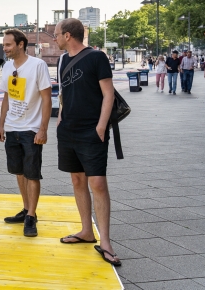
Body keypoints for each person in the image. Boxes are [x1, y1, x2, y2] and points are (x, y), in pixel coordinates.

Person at [54, 19, 120, 267]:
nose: (55, 38)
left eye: (56, 34)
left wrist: (101, 126)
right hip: (68, 129)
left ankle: (106, 242)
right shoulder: (62, 60)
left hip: (91, 130)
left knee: (98, 183)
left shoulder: (96, 57)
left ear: (68, 35)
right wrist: (60, 117)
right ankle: (86, 231)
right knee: (77, 179)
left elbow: (108, 93)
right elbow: (64, 92)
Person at [0, 29, 52, 237]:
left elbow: (47, 99)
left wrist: (43, 129)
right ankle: (26, 209)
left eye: (8, 44)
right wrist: (1, 125)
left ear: (20, 44)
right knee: (19, 172)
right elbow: (6, 98)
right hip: (12, 128)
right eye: (4, 44)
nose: (5, 48)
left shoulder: (38, 65)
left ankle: (31, 216)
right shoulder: (7, 67)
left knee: (32, 173)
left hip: (31, 129)